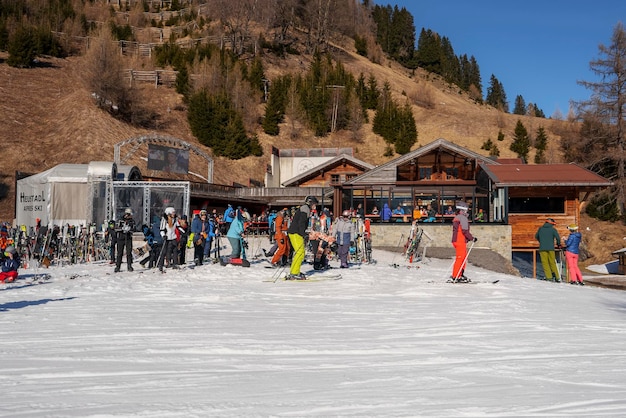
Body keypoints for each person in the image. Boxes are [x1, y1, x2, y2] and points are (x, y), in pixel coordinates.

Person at [287, 195, 318, 280]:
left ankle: (294, 271)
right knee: (300, 252)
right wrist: (303, 234)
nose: (315, 206)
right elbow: (301, 223)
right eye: (314, 204)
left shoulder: (305, 209)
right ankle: (294, 273)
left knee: (300, 253)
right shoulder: (305, 209)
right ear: (310, 203)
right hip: (295, 232)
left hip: (296, 232)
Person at [451, 201, 476, 282]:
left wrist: (468, 238)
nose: (467, 212)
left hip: (458, 240)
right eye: (465, 210)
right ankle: (456, 275)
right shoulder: (462, 218)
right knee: (460, 258)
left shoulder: (457, 217)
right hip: (460, 240)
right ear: (462, 210)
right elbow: (464, 231)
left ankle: (460, 274)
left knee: (463, 258)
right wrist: (472, 238)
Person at [158, 207, 183, 272]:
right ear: (168, 213)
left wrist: (183, 232)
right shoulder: (164, 220)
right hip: (167, 237)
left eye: (174, 212)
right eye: (173, 212)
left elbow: (178, 226)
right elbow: (161, 229)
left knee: (175, 251)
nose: (174, 214)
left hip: (173, 237)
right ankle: (160, 264)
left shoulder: (175, 219)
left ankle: (175, 263)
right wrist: (163, 236)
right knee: (164, 252)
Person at [114, 208, 135, 273]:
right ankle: (118, 266)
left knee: (129, 253)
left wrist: (129, 229)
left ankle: (129, 265)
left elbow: (134, 229)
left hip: (128, 238)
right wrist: (122, 229)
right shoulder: (120, 220)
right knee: (119, 253)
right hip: (121, 238)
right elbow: (116, 228)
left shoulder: (132, 221)